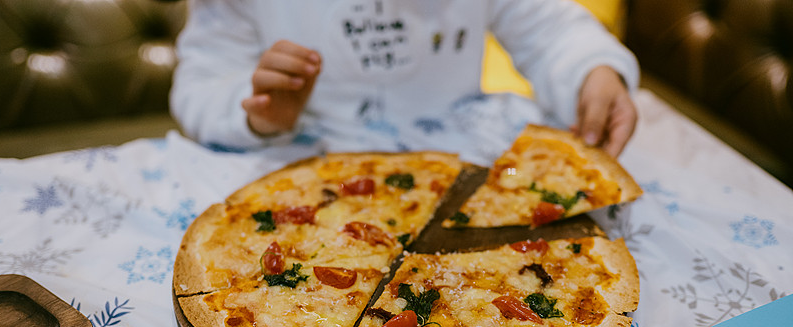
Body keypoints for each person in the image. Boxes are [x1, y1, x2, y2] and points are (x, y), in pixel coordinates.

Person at [170, 0, 639, 163]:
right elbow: (199, 85)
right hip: (294, 159)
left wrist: (592, 71)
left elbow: (549, 29)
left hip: (461, 156)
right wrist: (259, 114)